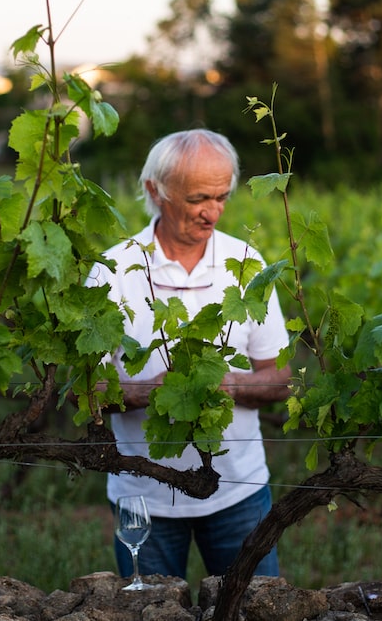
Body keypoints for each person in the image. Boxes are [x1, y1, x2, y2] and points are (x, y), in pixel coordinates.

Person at [88, 129, 292, 579]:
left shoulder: (246, 265)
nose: (213, 212)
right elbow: (82, 392)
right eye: (199, 197)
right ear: (154, 191)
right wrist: (146, 391)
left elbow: (281, 377)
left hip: (239, 492)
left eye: (222, 196)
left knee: (253, 610)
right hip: (142, 497)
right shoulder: (114, 271)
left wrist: (235, 384)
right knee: (152, 613)